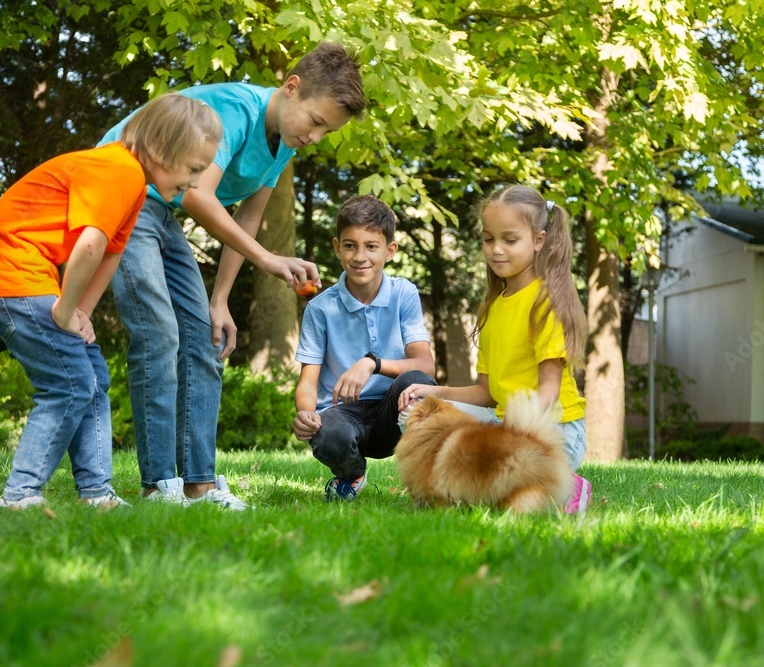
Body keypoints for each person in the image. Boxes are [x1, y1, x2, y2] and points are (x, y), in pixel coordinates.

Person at [99, 42, 366, 510]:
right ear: (291, 88)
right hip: (121, 192)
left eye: (329, 131)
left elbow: (248, 218)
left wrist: (219, 300)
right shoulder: (234, 109)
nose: (317, 137)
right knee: (160, 334)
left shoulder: (284, 142)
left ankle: (198, 485)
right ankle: (159, 484)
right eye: (317, 122)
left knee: (206, 337)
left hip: (161, 208)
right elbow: (199, 195)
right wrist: (267, 260)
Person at [0, 94, 222, 509]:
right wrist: (65, 311)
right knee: (68, 386)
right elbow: (90, 244)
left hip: (27, 278)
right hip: (11, 274)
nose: (195, 183)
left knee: (93, 377)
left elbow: (111, 254)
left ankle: (96, 494)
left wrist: (79, 311)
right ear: (158, 150)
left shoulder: (136, 187)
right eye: (193, 169)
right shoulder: (117, 169)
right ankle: (20, 494)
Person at [398, 184, 592, 513]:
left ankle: (565, 486)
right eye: (489, 239)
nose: (496, 250)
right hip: (501, 422)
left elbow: (549, 391)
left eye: (510, 240)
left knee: (506, 479)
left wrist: (510, 432)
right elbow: (488, 394)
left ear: (539, 240)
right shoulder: (492, 306)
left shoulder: (545, 302)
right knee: (414, 414)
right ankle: (447, 487)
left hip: (554, 431)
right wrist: (437, 393)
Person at [293, 195, 436, 501]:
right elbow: (307, 381)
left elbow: (425, 365)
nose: (360, 256)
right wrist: (305, 414)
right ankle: (351, 474)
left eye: (371, 246)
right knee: (328, 433)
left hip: (394, 410)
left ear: (390, 250)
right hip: (343, 415)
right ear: (336, 247)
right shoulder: (320, 309)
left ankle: (426, 482)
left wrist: (372, 362)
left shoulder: (404, 293)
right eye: (350, 245)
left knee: (419, 384)